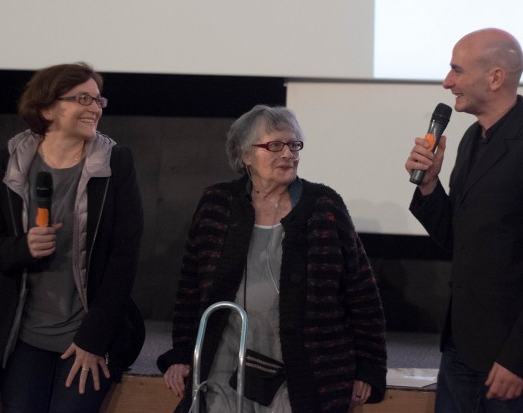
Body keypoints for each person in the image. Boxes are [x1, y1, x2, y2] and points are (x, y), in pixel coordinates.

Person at [156, 105, 387, 413]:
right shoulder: (217, 204)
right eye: (274, 145)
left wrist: (369, 367)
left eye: (294, 145)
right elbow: (191, 289)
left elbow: (362, 293)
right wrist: (183, 354)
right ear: (245, 155)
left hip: (305, 367)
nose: (288, 154)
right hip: (226, 357)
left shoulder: (324, 205)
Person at [0, 62, 145, 413]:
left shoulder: (116, 163)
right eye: (83, 98)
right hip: (25, 335)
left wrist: (93, 340)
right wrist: (23, 247)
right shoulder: (4, 164)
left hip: (89, 332)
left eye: (98, 100)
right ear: (46, 108)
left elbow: (124, 258)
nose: (95, 108)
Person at [405, 28, 523, 412]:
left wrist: (519, 359)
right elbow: (458, 240)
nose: (447, 82)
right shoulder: (471, 139)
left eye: (456, 71)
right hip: (461, 348)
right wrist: (429, 186)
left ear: (495, 78)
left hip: (509, 360)